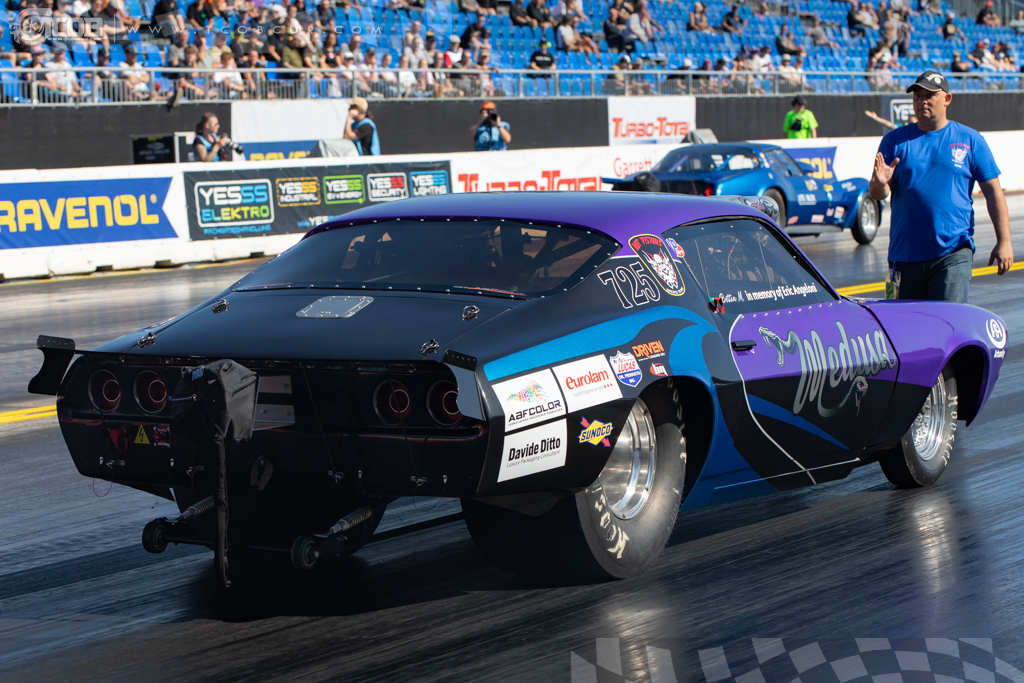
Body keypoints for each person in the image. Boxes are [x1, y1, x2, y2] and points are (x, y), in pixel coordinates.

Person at [868, 71, 1012, 303]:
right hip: (903, 256)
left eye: (929, 95)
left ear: (947, 99)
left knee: (948, 321)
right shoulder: (894, 141)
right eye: (917, 96)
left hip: (953, 252)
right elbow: (878, 193)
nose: (922, 101)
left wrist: (1003, 241)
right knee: (902, 322)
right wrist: (880, 183)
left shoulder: (970, 140)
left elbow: (994, 192)